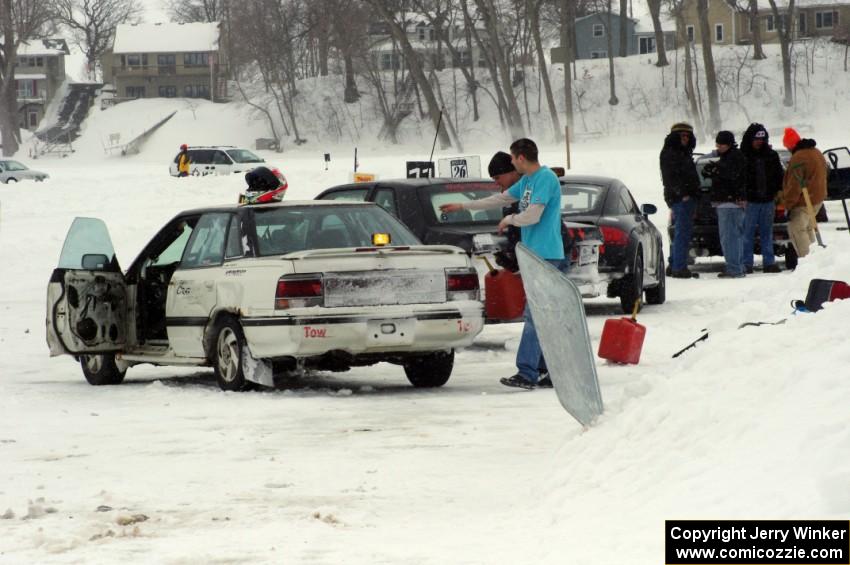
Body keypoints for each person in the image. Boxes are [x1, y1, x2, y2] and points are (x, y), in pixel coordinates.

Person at [439, 139, 565, 390]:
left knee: (536, 316)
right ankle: (546, 370)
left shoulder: (545, 178)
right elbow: (498, 199)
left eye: (511, 157)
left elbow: (533, 215)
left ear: (520, 157)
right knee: (542, 317)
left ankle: (528, 372)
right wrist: (463, 206)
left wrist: (510, 219)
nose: (510, 161)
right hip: (533, 256)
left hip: (547, 255)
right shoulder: (527, 182)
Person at [702, 130, 747, 278]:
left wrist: (716, 171)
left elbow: (731, 178)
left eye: (721, 144)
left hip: (729, 203)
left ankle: (734, 268)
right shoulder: (731, 157)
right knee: (736, 237)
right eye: (717, 144)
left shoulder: (732, 158)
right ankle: (738, 266)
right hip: (732, 203)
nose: (719, 147)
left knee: (730, 237)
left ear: (728, 144)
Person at [741, 123, 784, 274]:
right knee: (747, 234)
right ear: (750, 139)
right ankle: (746, 263)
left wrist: (779, 192)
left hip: (768, 201)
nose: (760, 141)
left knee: (767, 233)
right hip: (750, 202)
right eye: (756, 139)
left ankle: (769, 262)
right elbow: (739, 179)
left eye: (762, 138)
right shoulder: (743, 156)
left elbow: (779, 176)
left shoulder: (771, 155)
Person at [660, 122, 701, 278]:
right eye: (682, 135)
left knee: (679, 233)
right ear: (675, 137)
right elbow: (669, 177)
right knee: (682, 233)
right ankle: (679, 267)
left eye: (687, 135)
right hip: (681, 199)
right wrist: (682, 193)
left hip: (683, 198)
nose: (685, 138)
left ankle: (674, 264)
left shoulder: (683, 152)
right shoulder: (671, 153)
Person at [781, 127, 827, 262]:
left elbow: (794, 185)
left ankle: (807, 260)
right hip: (817, 199)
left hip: (804, 201)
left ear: (790, 146)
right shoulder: (816, 152)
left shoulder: (798, 158)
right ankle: (815, 256)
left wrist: (788, 204)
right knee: (807, 228)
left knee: (796, 229)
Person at [487, 151, 522, 272]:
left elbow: (531, 229)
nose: (496, 183)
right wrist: (510, 257)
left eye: (497, 177)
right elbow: (515, 233)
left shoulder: (529, 190)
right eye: (493, 179)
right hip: (533, 258)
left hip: (546, 258)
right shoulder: (510, 196)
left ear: (512, 172)